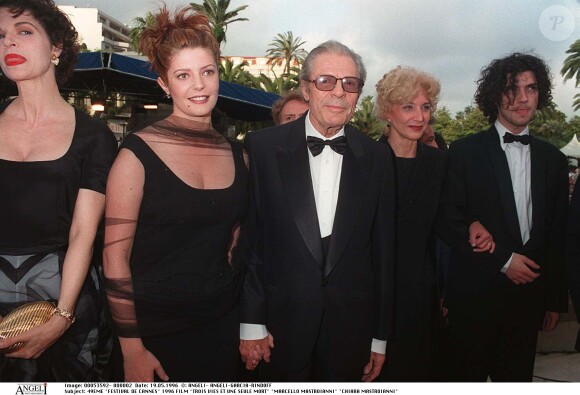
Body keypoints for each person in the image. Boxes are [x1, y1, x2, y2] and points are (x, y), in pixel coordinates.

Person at [103, 5, 247, 382]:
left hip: (220, 327)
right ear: (165, 84)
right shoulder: (136, 155)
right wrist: (131, 348)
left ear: (218, 74)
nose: (199, 86)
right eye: (183, 75)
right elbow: (114, 260)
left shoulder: (240, 155)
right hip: (152, 334)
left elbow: (234, 243)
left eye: (207, 72)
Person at [238, 40, 395, 382]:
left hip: (351, 336)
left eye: (349, 83)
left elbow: (383, 254)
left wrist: (379, 336)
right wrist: (251, 322)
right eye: (326, 81)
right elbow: (252, 242)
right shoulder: (263, 148)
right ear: (306, 89)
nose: (339, 92)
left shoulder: (379, 158)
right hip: (280, 331)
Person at [0, 0, 117, 381]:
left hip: (64, 301)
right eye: (0, 37)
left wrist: (61, 318)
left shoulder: (93, 135)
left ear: (56, 47)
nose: (9, 44)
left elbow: (84, 234)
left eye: (23, 31)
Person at [437, 53, 569, 381]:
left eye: (531, 88)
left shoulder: (553, 160)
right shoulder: (465, 151)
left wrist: (554, 301)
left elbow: (557, 234)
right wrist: (505, 260)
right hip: (474, 302)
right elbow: (447, 218)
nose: (522, 98)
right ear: (495, 95)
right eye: (512, 89)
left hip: (528, 304)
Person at [374, 65, 477, 381]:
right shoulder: (365, 160)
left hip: (420, 297)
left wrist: (473, 225)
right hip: (372, 295)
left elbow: (449, 220)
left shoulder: (439, 163)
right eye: (408, 106)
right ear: (387, 112)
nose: (419, 115)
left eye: (425, 107)